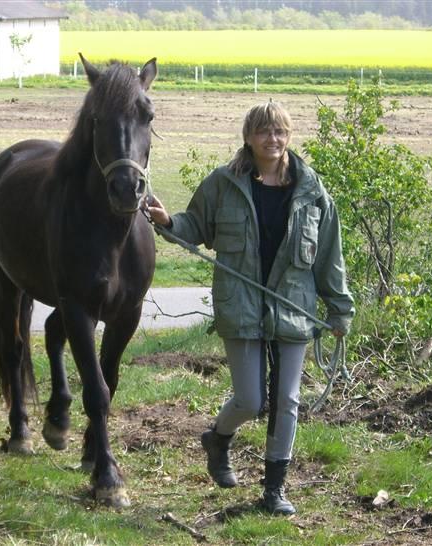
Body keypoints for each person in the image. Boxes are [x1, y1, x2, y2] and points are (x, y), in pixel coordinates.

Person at [145, 101, 354, 515]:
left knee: (286, 401)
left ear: (289, 136)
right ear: (248, 137)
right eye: (263, 132)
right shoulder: (224, 183)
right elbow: (196, 226)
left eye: (279, 131)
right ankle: (218, 438)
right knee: (249, 400)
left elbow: (330, 257)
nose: (272, 139)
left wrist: (339, 310)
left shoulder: (312, 192)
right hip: (240, 307)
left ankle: (274, 490)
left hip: (292, 309)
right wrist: (169, 223)